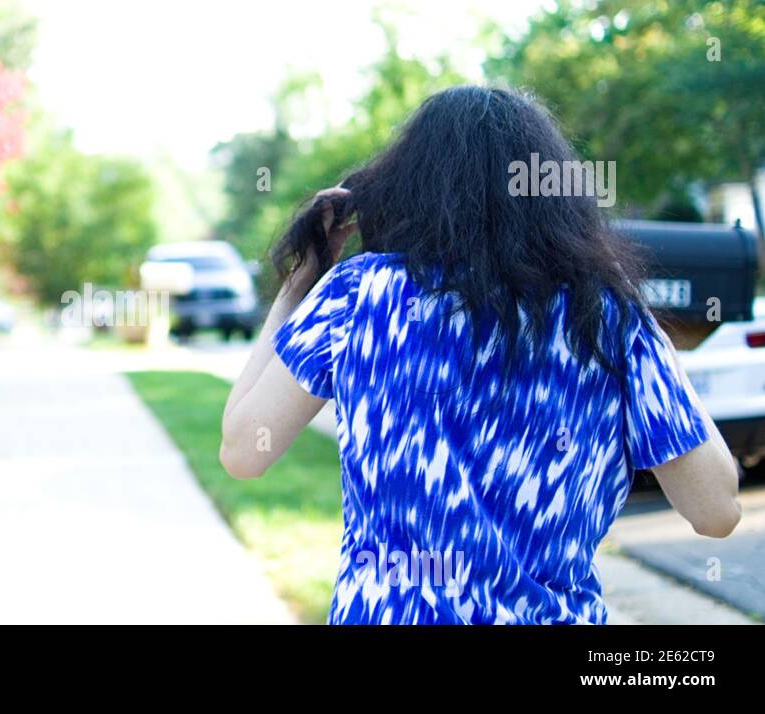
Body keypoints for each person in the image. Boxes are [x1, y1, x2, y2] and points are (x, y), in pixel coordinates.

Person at [220, 85, 741, 624]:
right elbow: (717, 511)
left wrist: (301, 278)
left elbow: (242, 450)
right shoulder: (606, 317)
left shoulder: (359, 296)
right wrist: (629, 306)